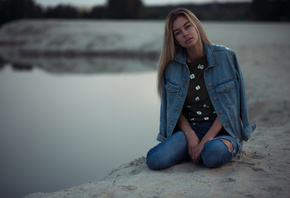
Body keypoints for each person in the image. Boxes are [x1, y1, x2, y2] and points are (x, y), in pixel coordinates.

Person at [146, 8, 256, 169]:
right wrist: (190, 135)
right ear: (175, 39)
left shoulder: (226, 57)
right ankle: (192, 150)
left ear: (196, 26)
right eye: (178, 32)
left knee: (212, 154)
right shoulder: (171, 67)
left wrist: (204, 142)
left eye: (187, 26)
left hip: (223, 129)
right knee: (155, 160)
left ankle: (219, 148)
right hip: (191, 128)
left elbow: (230, 106)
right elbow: (173, 107)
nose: (185, 34)